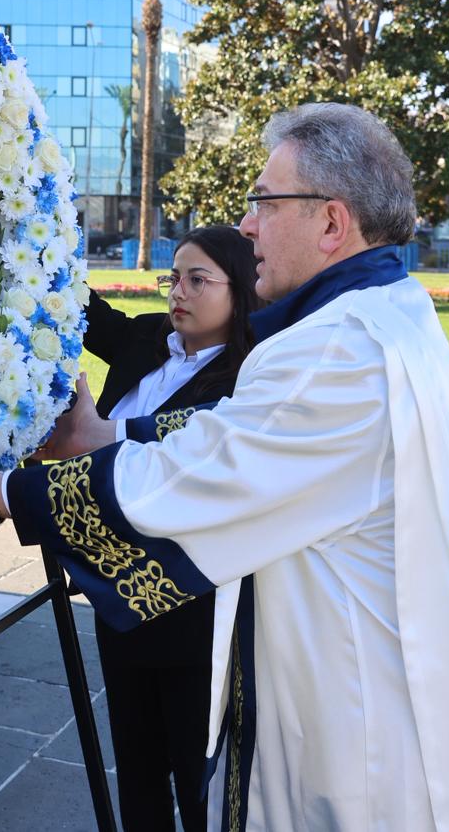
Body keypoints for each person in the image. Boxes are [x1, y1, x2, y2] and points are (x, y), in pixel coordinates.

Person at [0, 103, 449, 831]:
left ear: (331, 223)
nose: (247, 225)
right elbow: (234, 433)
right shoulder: (386, 313)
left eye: (263, 202)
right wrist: (112, 435)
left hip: (369, 743)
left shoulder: (336, 350)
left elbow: (196, 483)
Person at [85, 225, 262, 832]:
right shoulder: (149, 341)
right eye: (173, 277)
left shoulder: (245, 382)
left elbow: (182, 460)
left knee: (198, 774)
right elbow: (77, 311)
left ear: (241, 293)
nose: (178, 293)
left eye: (198, 279)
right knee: (135, 768)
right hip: (117, 595)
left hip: (195, 610)